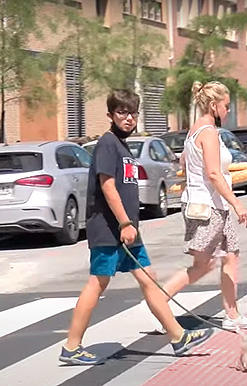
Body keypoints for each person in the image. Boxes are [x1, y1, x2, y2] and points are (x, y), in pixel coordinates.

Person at [59, 89, 214, 366]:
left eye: (132, 113)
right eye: (122, 113)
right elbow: (108, 186)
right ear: (110, 115)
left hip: (126, 231)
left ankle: (178, 337)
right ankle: (72, 346)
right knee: (98, 282)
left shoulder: (122, 145)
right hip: (111, 230)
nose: (128, 118)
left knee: (148, 278)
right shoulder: (108, 143)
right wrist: (125, 222)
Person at [160, 81, 247, 331]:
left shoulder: (194, 130)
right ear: (214, 105)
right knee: (203, 265)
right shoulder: (209, 133)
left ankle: (232, 314)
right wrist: (237, 204)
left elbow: (185, 164)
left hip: (213, 205)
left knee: (230, 257)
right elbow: (214, 174)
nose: (228, 111)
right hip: (208, 208)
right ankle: (158, 302)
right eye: (226, 106)